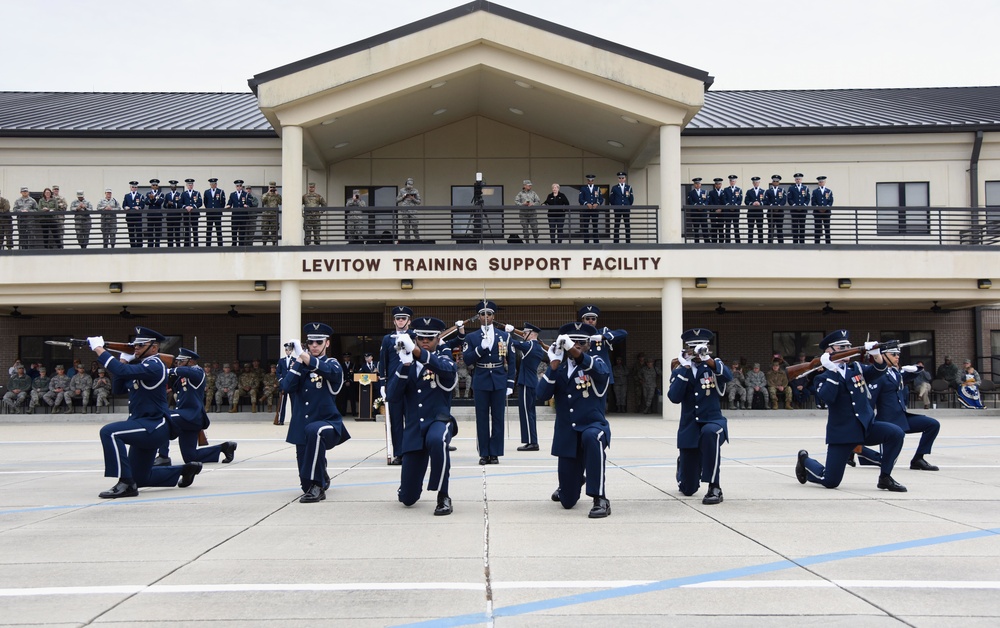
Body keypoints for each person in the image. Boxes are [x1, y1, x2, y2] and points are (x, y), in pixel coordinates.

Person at [88, 327, 202, 498]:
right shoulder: (142, 367)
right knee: (140, 478)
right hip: (143, 424)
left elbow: (122, 372)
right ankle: (183, 470)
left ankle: (125, 483)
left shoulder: (155, 365)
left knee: (110, 432)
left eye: (141, 346)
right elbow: (118, 387)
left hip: (154, 425)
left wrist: (99, 349)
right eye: (135, 346)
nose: (136, 349)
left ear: (154, 348)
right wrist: (124, 360)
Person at [794, 330, 907, 492]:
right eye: (841, 347)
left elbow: (879, 371)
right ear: (829, 352)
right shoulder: (822, 377)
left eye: (848, 346)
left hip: (866, 427)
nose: (847, 349)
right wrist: (832, 370)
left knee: (896, 433)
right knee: (830, 481)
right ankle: (805, 460)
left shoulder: (857, 368)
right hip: (843, 433)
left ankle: (885, 477)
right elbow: (828, 397)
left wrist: (876, 354)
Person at [537, 322, 612, 518]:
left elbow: (602, 373)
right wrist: (553, 365)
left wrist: (572, 349)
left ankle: (600, 497)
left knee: (592, 437)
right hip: (568, 434)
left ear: (588, 344)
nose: (577, 345)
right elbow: (541, 394)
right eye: (572, 341)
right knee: (567, 502)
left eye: (581, 341)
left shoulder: (596, 361)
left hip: (593, 426)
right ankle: (575, 480)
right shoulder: (559, 368)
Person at [387, 316, 458, 516]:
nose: (425, 341)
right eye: (420, 338)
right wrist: (405, 366)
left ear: (437, 340)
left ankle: (443, 495)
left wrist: (417, 353)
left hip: (438, 421)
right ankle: (408, 489)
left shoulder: (442, 360)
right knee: (407, 499)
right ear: (415, 338)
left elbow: (447, 370)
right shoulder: (406, 362)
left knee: (437, 440)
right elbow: (392, 396)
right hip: (415, 429)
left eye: (430, 338)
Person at [280, 323, 351, 504]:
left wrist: (305, 357)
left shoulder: (331, 363)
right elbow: (286, 387)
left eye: (319, 342)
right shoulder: (300, 364)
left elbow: (332, 374)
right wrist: (298, 361)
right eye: (310, 342)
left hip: (326, 422)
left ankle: (318, 485)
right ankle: (321, 475)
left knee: (315, 431)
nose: (314, 346)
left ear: (327, 343)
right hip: (301, 425)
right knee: (305, 485)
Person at [667, 328, 732, 505]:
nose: (696, 351)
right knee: (688, 489)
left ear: (708, 347)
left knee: (710, 433)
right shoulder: (681, 369)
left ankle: (714, 487)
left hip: (712, 421)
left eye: (700, 347)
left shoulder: (713, 365)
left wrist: (708, 360)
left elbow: (728, 376)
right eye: (692, 347)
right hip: (689, 427)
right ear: (686, 349)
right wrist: (685, 368)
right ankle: (684, 466)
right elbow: (674, 397)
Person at [867, 345, 941, 470]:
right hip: (887, 421)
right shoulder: (877, 376)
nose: (897, 357)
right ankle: (857, 451)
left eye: (898, 354)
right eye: (893, 354)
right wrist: (867, 421)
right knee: (885, 461)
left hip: (902, 418)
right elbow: (870, 400)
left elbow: (912, 374)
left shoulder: (895, 372)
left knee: (932, 424)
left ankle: (918, 459)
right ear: (883, 356)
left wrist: (916, 368)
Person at [462, 300, 516, 465]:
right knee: (482, 417)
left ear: (494, 316)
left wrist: (510, 383)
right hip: (481, 379)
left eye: (489, 314)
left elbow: (512, 360)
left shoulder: (504, 336)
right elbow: (466, 359)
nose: (486, 317)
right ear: (478, 317)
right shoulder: (471, 337)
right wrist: (480, 349)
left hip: (499, 379)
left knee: (498, 418)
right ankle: (484, 453)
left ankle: (495, 453)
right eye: (483, 314)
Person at [163, 348, 238, 465]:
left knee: (163, 419)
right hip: (184, 417)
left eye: (181, 361)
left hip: (192, 415)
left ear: (191, 362)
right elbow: (173, 384)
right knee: (190, 457)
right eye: (178, 361)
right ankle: (224, 447)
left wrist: (166, 370)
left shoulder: (198, 372)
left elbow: (183, 372)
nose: (178, 363)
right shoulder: (182, 374)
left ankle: (163, 456)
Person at [380, 306, 414, 464]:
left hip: (412, 382)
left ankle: (411, 450)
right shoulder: (388, 339)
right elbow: (383, 361)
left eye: (403, 318)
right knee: (396, 420)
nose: (401, 321)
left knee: (412, 418)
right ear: (394, 321)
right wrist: (382, 382)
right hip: (394, 383)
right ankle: (399, 453)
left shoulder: (415, 336)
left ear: (409, 320)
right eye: (398, 318)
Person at [578, 305, 628, 409]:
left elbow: (623, 333)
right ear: (583, 320)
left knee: (600, 401)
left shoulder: (603, 332)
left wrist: (603, 337)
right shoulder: (579, 335)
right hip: (584, 372)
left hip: (600, 373)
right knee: (583, 399)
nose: (590, 321)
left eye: (593, 318)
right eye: (587, 318)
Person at [506, 322, 545, 451]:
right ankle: (531, 440)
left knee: (526, 413)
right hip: (531, 382)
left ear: (532, 334)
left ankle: (532, 442)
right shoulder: (537, 347)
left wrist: (508, 333)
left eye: (525, 333)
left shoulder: (531, 345)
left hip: (526, 382)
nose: (523, 335)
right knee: (530, 413)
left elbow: (513, 343)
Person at [274, 343, 296, 426]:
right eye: (286, 350)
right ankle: (281, 420)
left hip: (292, 385)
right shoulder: (281, 360)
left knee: (294, 403)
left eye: (289, 350)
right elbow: (278, 372)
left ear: (292, 351)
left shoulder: (295, 360)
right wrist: (281, 380)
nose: (288, 351)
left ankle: (294, 421)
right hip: (283, 384)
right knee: (282, 403)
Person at [610, 171, 634, 244]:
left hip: (626, 208)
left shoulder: (629, 187)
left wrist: (628, 205)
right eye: (620, 178)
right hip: (617, 209)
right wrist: (615, 206)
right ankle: (616, 242)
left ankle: (628, 242)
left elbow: (631, 199)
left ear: (625, 179)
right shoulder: (614, 188)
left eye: (622, 178)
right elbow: (611, 199)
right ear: (618, 179)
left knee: (627, 225)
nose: (621, 179)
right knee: (617, 225)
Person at [578, 174, 602, 244]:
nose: (590, 181)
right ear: (587, 180)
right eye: (589, 180)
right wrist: (586, 203)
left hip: (595, 209)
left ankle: (596, 242)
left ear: (593, 180)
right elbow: (580, 199)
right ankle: (586, 242)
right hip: (586, 210)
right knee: (586, 226)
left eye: (592, 180)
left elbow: (601, 199)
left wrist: (597, 203)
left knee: (595, 226)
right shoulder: (583, 188)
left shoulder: (597, 188)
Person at [787, 173, 809, 244]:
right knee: (795, 226)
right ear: (795, 180)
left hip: (803, 210)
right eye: (797, 179)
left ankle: (802, 242)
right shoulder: (791, 188)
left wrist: (804, 205)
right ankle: (795, 242)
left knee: (802, 226)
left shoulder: (805, 188)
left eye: (799, 179)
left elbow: (807, 198)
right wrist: (794, 205)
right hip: (794, 210)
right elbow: (789, 198)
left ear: (801, 180)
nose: (798, 180)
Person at [764, 175, 786, 243]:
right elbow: (766, 200)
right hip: (771, 212)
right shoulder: (768, 191)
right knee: (771, 229)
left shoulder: (782, 190)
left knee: (779, 228)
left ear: (779, 183)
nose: (775, 182)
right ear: (772, 182)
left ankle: (781, 244)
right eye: (774, 181)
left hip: (780, 212)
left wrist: (779, 206)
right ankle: (770, 243)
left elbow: (784, 200)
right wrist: (772, 206)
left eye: (777, 181)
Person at [811, 175, 834, 244]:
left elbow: (831, 201)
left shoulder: (829, 191)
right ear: (818, 183)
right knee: (817, 228)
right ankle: (817, 243)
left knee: (827, 228)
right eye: (820, 182)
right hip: (817, 212)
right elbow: (813, 201)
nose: (821, 183)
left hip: (826, 212)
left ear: (825, 182)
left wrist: (826, 207)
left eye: (822, 182)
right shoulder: (815, 191)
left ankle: (828, 243)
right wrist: (818, 208)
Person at [142, 179, 164, 247]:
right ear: (151, 186)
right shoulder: (148, 193)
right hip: (150, 215)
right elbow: (146, 202)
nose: (154, 186)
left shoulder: (161, 193)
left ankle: (157, 246)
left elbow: (160, 202)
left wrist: (152, 199)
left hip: (158, 215)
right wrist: (152, 200)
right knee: (150, 232)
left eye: (156, 185)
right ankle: (150, 246)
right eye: (153, 185)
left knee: (158, 232)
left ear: (157, 186)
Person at [179, 178, 201, 247]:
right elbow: (180, 203)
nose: (190, 186)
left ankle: (196, 245)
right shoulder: (183, 194)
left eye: (191, 185)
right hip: (186, 214)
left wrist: (193, 207)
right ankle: (187, 245)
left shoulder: (197, 193)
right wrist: (185, 207)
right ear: (186, 185)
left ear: (193, 185)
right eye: (189, 185)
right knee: (187, 230)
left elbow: (200, 202)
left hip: (194, 215)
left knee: (195, 230)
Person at [686, 177, 709, 243]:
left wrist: (703, 205)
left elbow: (707, 200)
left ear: (700, 184)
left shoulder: (704, 192)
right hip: (695, 213)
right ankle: (696, 242)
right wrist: (696, 206)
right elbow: (690, 201)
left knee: (705, 228)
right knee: (696, 229)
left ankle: (707, 242)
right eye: (696, 184)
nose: (697, 185)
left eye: (699, 183)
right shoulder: (691, 193)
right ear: (694, 185)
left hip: (703, 213)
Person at [203, 178, 225, 246]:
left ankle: (220, 245)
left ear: (216, 184)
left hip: (217, 213)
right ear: (210, 184)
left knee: (218, 229)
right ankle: (208, 245)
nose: (213, 185)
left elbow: (223, 202)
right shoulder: (206, 192)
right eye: (211, 184)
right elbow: (205, 202)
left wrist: (219, 209)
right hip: (209, 213)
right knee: (209, 229)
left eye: (214, 184)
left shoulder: (220, 191)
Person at [721, 174, 742, 244]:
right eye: (731, 181)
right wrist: (729, 205)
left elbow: (740, 200)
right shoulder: (726, 189)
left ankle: (738, 242)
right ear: (729, 182)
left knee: (736, 227)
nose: (732, 182)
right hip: (727, 211)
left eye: (733, 181)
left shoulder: (739, 189)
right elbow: (724, 199)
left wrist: (735, 205)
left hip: (736, 211)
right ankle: (727, 242)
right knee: (728, 227)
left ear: (735, 181)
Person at [122, 181, 143, 248]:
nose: (134, 188)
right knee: (131, 233)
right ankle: (132, 246)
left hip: (138, 217)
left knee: (139, 232)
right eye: (133, 187)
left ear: (137, 188)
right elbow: (124, 205)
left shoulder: (140, 196)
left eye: (135, 187)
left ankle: (139, 246)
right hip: (130, 216)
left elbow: (142, 205)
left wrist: (139, 207)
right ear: (130, 187)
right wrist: (125, 207)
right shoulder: (127, 196)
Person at [744, 176, 765, 244]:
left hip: (759, 212)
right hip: (751, 212)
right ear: (752, 183)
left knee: (760, 228)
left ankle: (761, 243)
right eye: (754, 182)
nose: (755, 183)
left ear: (759, 183)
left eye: (757, 182)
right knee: (750, 228)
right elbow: (746, 201)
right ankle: (750, 243)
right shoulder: (749, 191)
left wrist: (760, 203)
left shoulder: (763, 191)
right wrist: (752, 203)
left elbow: (765, 201)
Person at [162, 180, 183, 247]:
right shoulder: (167, 195)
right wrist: (168, 204)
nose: (173, 187)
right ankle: (170, 246)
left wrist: (173, 204)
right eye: (172, 186)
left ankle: (178, 246)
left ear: (176, 186)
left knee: (177, 233)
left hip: (177, 216)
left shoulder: (179, 194)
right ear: (170, 186)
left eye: (174, 186)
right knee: (170, 233)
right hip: (170, 216)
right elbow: (164, 205)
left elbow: (180, 204)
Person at [227, 180, 248, 247]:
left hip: (243, 215)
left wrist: (247, 205)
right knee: (234, 230)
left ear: (242, 186)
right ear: (236, 187)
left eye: (240, 186)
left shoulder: (246, 194)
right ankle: (234, 244)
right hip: (235, 215)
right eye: (237, 186)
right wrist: (228, 205)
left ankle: (241, 244)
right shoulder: (232, 194)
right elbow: (230, 202)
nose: (239, 187)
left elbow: (250, 202)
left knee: (242, 230)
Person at [260, 181, 281, 246]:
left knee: (274, 230)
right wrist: (268, 193)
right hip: (266, 215)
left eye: (273, 187)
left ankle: (274, 243)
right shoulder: (265, 194)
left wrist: (277, 195)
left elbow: (280, 203)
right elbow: (263, 201)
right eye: (271, 187)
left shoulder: (277, 195)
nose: (272, 189)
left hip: (274, 215)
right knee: (265, 230)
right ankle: (264, 243)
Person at [706, 177, 725, 243]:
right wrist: (715, 209)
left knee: (721, 228)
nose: (718, 185)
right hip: (713, 213)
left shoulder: (723, 192)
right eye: (716, 184)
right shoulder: (711, 192)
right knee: (714, 228)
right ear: (715, 185)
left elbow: (724, 202)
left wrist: (721, 209)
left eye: (719, 184)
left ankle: (721, 243)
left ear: (721, 184)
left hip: (721, 213)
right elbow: (710, 202)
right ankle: (714, 242)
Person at [337, 352, 357, 417]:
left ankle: (354, 412)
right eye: (345, 357)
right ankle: (343, 412)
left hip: (351, 384)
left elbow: (355, 374)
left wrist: (350, 381)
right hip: (344, 384)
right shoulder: (341, 365)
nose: (346, 358)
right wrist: (345, 381)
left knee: (352, 399)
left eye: (348, 357)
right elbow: (341, 375)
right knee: (344, 399)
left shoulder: (353, 365)